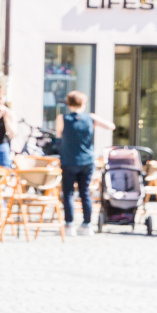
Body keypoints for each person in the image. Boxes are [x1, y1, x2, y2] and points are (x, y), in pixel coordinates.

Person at [55, 91, 113, 236]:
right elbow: (111, 126)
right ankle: (87, 225)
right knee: (85, 192)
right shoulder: (90, 118)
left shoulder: (63, 118)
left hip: (69, 160)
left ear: (68, 103)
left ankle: (69, 225)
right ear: (83, 103)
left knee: (68, 193)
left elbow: (58, 135)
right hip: (87, 160)